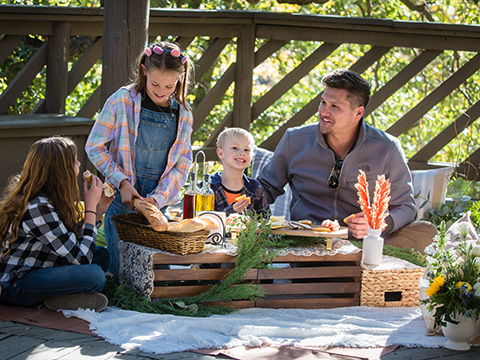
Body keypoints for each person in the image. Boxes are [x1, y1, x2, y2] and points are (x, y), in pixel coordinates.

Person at [257, 69, 437, 252]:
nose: (323, 111)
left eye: (334, 106)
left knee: (426, 232)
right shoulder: (294, 140)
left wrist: (377, 223)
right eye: (323, 102)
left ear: (358, 113)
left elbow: (405, 206)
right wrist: (233, 191)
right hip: (308, 242)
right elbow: (264, 189)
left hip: (364, 245)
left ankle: (353, 265)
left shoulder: (387, 148)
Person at [85, 41, 193, 277]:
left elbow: (183, 163)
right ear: (144, 70)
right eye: (155, 84)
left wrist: (158, 198)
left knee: (150, 271)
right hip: (120, 201)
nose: (161, 91)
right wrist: (122, 182)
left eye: (169, 85)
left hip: (156, 204)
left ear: (180, 78)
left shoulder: (183, 113)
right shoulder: (121, 101)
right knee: (119, 268)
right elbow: (94, 147)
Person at [0, 136, 111, 311]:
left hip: (44, 266)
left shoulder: (52, 198)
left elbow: (71, 244)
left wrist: (97, 213)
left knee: (102, 255)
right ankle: (56, 297)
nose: (79, 166)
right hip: (17, 283)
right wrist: (89, 207)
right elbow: (81, 259)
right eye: (75, 163)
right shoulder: (39, 207)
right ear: (62, 171)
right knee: (94, 275)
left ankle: (58, 298)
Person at [211, 127, 269, 216]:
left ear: (252, 156)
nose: (242, 153)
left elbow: (266, 220)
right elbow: (203, 219)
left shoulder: (256, 188)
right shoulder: (208, 187)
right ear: (220, 153)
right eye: (235, 148)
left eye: (247, 150)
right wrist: (231, 211)